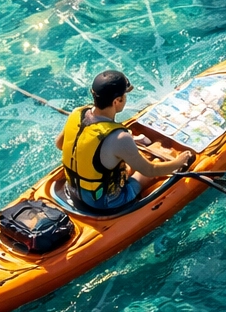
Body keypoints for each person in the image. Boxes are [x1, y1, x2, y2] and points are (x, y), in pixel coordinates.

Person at [56, 70, 191, 210]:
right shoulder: (120, 138)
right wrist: (178, 162)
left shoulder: (77, 113)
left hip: (72, 189)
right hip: (104, 201)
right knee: (155, 163)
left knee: (123, 165)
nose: (126, 99)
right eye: (125, 95)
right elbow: (150, 170)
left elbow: (60, 145)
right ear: (117, 101)